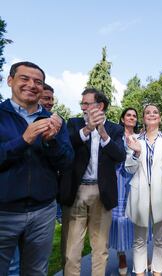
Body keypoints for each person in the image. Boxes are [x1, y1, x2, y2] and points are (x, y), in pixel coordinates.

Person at [0, 61, 73, 275]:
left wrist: (51, 142)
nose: (31, 85)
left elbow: (66, 162)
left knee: (36, 271)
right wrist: (24, 140)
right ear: (10, 80)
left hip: (43, 211)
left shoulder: (54, 121)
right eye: (25, 78)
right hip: (4, 212)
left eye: (38, 82)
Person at [59, 88, 126, 276]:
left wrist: (103, 134)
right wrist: (87, 129)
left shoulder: (115, 129)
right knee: (72, 251)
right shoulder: (73, 124)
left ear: (100, 106)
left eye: (86, 103)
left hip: (102, 193)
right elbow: (65, 147)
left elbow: (120, 155)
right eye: (82, 103)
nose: (82, 107)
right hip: (76, 191)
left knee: (100, 249)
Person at [124, 104, 162, 276]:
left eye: (155, 112)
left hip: (161, 195)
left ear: (160, 117)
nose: (151, 114)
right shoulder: (134, 139)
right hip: (138, 195)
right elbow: (129, 169)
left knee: (160, 239)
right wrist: (135, 153)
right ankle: (140, 272)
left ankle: (158, 271)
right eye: (148, 112)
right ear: (143, 118)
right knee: (139, 240)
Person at [108, 107, 139, 276]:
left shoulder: (139, 137)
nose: (131, 117)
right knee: (119, 220)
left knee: (136, 219)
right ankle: (121, 256)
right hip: (118, 179)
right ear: (122, 118)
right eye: (128, 115)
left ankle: (139, 255)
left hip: (135, 180)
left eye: (134, 115)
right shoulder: (116, 135)